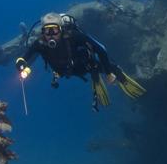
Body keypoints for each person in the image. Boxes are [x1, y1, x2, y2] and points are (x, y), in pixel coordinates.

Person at [15, 12, 146, 110]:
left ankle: (116, 73)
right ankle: (98, 77)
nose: (51, 35)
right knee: (84, 69)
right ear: (42, 32)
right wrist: (21, 65)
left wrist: (108, 73)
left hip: (84, 65)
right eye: (46, 31)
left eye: (54, 30)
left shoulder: (74, 36)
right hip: (63, 71)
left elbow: (100, 49)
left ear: (61, 30)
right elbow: (24, 58)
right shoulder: (40, 43)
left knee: (97, 67)